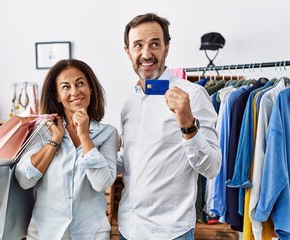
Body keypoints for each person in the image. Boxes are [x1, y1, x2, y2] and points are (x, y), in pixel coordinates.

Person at [116, 13, 222, 240]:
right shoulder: (129, 103)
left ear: (166, 48)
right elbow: (132, 163)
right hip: (128, 229)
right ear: (128, 52)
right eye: (138, 45)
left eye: (155, 44)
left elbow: (212, 167)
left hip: (170, 233)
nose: (146, 54)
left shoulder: (193, 95)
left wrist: (188, 126)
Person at [15, 59, 118, 240]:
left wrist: (85, 135)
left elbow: (102, 183)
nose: (74, 92)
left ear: (91, 88)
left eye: (80, 84)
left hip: (91, 232)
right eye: (65, 87)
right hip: (45, 232)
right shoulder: (42, 130)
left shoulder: (108, 133)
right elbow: (24, 179)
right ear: (56, 95)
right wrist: (54, 140)